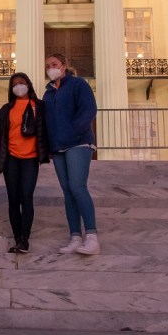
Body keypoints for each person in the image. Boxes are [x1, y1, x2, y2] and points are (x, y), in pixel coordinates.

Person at [43, 52, 99, 255]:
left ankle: (91, 236)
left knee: (78, 187)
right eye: (48, 65)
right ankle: (75, 236)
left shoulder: (78, 85)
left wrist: (72, 132)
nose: (51, 68)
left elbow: (89, 110)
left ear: (64, 66)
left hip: (78, 143)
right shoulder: (48, 93)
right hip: (58, 148)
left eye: (54, 64)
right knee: (67, 191)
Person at [0, 72, 49, 254]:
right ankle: (17, 237)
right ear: (11, 88)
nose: (19, 86)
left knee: (26, 197)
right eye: (15, 83)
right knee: (13, 199)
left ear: (28, 84)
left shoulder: (39, 106)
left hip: (30, 158)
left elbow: (46, 129)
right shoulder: (6, 109)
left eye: (22, 82)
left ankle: (25, 238)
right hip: (11, 158)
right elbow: (0, 135)